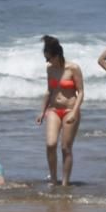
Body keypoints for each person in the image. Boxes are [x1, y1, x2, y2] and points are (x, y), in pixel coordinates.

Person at [36, 35, 83, 186]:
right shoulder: (50, 69)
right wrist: (42, 112)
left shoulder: (73, 68)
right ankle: (54, 180)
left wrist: (75, 112)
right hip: (54, 110)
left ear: (57, 55)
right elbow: (49, 91)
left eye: (49, 58)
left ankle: (65, 183)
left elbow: (81, 92)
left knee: (65, 148)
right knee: (50, 144)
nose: (47, 61)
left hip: (70, 109)